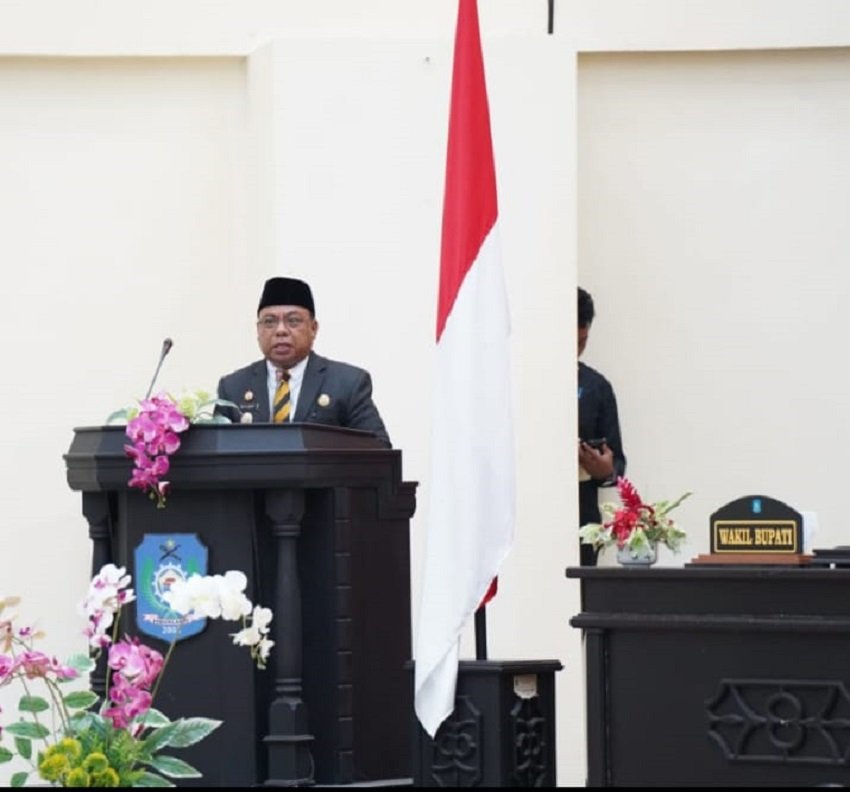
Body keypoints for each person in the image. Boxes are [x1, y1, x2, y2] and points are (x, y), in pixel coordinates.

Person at [216, 276, 391, 447]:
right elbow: (214, 451)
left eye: (293, 321)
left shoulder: (347, 383)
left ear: (313, 328)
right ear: (258, 330)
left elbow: (379, 448)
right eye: (269, 322)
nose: (281, 331)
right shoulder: (233, 387)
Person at [578, 286, 626, 565]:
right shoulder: (522, 381)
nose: (575, 351)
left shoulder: (597, 387)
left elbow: (618, 462)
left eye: (582, 343)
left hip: (582, 517)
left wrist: (605, 469)